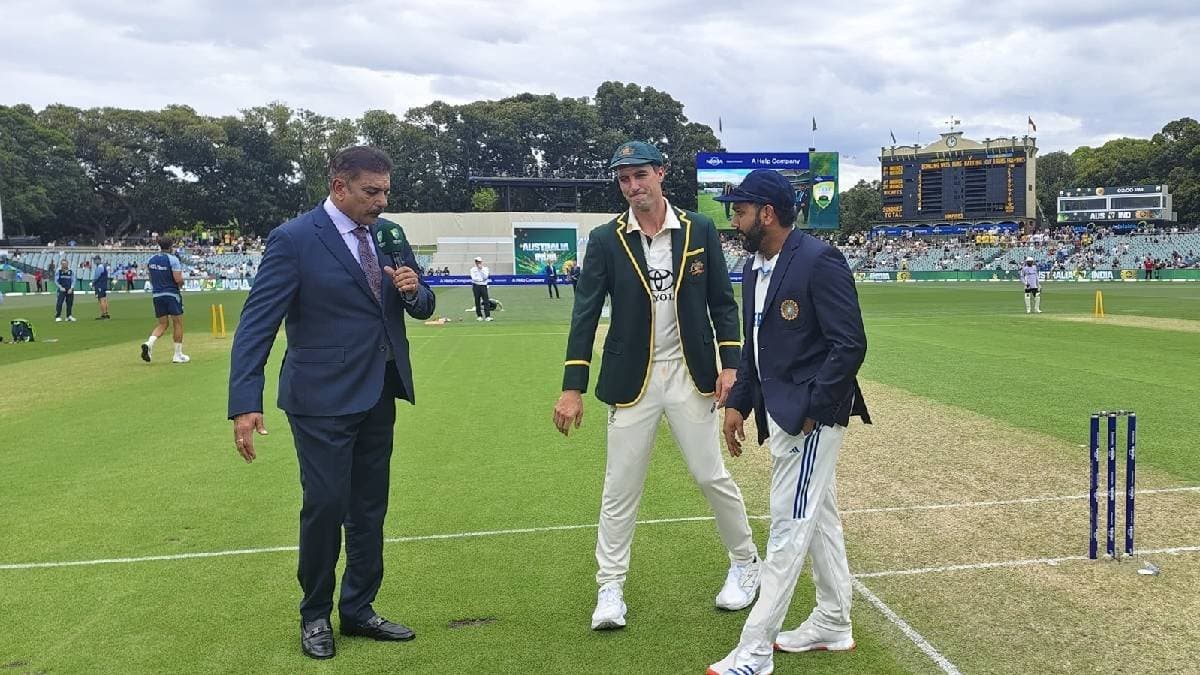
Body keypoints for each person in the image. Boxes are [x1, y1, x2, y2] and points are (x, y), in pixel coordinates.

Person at [227, 146, 435, 661]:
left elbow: (424, 305)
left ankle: (360, 609)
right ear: (339, 187)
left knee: (369, 508)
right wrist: (244, 400)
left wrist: (413, 290)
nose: (382, 201)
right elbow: (258, 323)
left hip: (380, 390)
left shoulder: (390, 235)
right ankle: (315, 613)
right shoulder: (294, 239)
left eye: (386, 190)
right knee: (325, 506)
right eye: (372, 192)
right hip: (320, 399)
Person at [553, 140, 759, 631]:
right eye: (623, 179)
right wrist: (571, 386)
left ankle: (747, 564)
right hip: (632, 380)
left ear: (661, 174)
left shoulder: (698, 228)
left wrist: (730, 364)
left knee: (711, 476)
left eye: (640, 175)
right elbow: (585, 312)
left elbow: (722, 303)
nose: (632, 186)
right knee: (620, 486)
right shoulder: (606, 238)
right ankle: (610, 589)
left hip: (690, 375)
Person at [707, 169, 870, 675]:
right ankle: (833, 620)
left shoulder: (820, 260)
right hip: (779, 411)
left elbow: (850, 345)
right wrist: (740, 402)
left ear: (767, 213)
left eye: (740, 210)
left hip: (813, 419)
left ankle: (755, 650)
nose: (734, 220)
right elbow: (760, 347)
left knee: (788, 526)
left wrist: (813, 414)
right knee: (818, 518)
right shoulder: (754, 267)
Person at [140, 238, 189, 363]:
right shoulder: (173, 259)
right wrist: (182, 284)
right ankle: (177, 355)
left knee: (162, 324)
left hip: (157, 295)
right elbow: (178, 279)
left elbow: (151, 278)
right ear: (171, 246)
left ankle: (149, 343)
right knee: (177, 323)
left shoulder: (152, 260)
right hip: (171, 294)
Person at [470, 256, 493, 321]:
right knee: (477, 301)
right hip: (476, 286)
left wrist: (481, 270)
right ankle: (479, 316)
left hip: (483, 286)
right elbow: (473, 278)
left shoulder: (485, 269)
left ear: (481, 262)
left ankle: (487, 316)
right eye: (476, 262)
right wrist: (480, 280)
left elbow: (485, 277)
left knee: (486, 301)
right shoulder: (472, 269)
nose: (478, 263)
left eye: (479, 262)